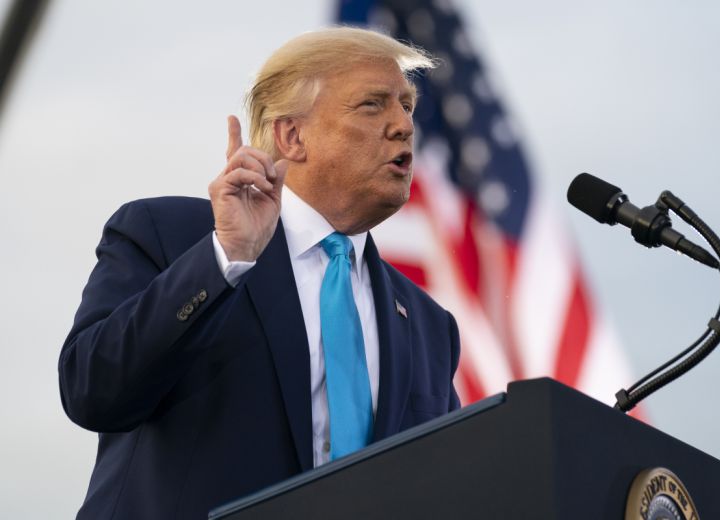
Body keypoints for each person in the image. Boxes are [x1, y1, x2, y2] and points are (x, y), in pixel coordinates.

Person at [59, 27, 460, 519]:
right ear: (292, 136)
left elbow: (447, 481)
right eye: (373, 105)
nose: (403, 125)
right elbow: (91, 391)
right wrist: (226, 256)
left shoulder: (428, 324)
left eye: (408, 106)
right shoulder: (168, 235)